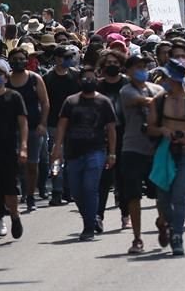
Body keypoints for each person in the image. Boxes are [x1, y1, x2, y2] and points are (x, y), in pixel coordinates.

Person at [146, 59, 185, 256]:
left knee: (180, 196)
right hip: (163, 153)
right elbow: (150, 127)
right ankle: (165, 222)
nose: (165, 81)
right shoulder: (159, 101)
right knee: (163, 198)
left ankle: (177, 236)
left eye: (168, 78)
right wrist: (163, 130)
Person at [50, 65, 118, 241]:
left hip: (96, 150)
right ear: (79, 81)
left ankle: (88, 227)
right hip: (73, 152)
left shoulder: (104, 102)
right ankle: (91, 216)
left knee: (90, 187)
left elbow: (111, 128)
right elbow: (62, 125)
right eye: (85, 79)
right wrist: (57, 147)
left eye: (92, 78)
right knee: (76, 191)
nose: (89, 81)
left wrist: (112, 153)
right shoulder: (70, 102)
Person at [119, 54, 163, 255]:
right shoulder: (126, 91)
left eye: (144, 66)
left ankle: (163, 222)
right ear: (128, 71)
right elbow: (145, 101)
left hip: (155, 149)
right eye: (137, 66)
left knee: (161, 193)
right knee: (133, 195)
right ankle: (137, 238)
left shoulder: (158, 89)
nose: (141, 70)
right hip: (133, 148)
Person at [0, 62, 27, 247]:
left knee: (9, 191)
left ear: (5, 77)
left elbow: (23, 123)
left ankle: (15, 216)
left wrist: (24, 146)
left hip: (9, 150)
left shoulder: (14, 97)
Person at [5, 46, 49, 213]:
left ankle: (30, 196)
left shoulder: (34, 78)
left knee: (32, 164)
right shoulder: (6, 80)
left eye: (21, 59)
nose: (18, 62)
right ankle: (17, 194)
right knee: (15, 165)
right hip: (10, 129)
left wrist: (43, 124)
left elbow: (44, 102)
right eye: (14, 59)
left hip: (33, 128)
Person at [95, 50, 129, 231]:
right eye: (108, 62)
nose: (112, 65)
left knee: (123, 179)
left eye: (115, 62)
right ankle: (98, 215)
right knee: (103, 179)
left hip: (125, 135)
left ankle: (126, 215)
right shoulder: (97, 87)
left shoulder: (127, 84)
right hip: (102, 138)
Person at [44, 45, 81, 206]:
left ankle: (69, 190)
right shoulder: (48, 78)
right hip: (54, 124)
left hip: (74, 123)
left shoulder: (76, 75)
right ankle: (57, 192)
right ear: (57, 59)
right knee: (57, 158)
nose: (69, 60)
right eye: (65, 57)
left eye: (70, 57)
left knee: (72, 159)